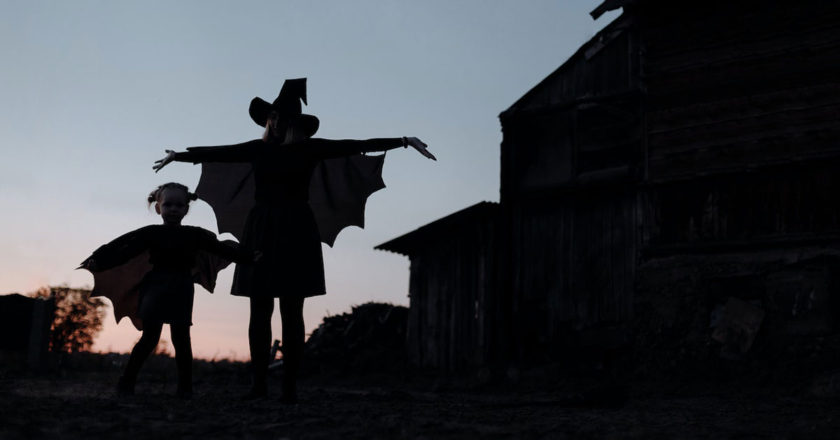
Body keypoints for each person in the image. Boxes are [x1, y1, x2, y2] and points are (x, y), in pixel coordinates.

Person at [153, 78, 435, 402]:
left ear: (292, 123)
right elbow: (220, 153)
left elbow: (355, 144)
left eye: (279, 117)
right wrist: (178, 156)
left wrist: (403, 140)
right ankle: (258, 385)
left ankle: (289, 387)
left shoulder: (310, 149)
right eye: (270, 117)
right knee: (259, 308)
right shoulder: (258, 149)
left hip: (298, 231)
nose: (274, 122)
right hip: (260, 230)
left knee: (292, 309)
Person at [81, 182, 253, 398]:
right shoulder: (150, 233)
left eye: (179, 205)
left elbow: (221, 249)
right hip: (156, 287)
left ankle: (185, 388)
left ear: (186, 209)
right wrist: (100, 261)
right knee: (150, 338)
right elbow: (125, 249)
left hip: (181, 288)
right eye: (168, 204)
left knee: (181, 339)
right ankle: (126, 383)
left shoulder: (196, 235)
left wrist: (249, 257)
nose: (173, 209)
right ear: (158, 207)